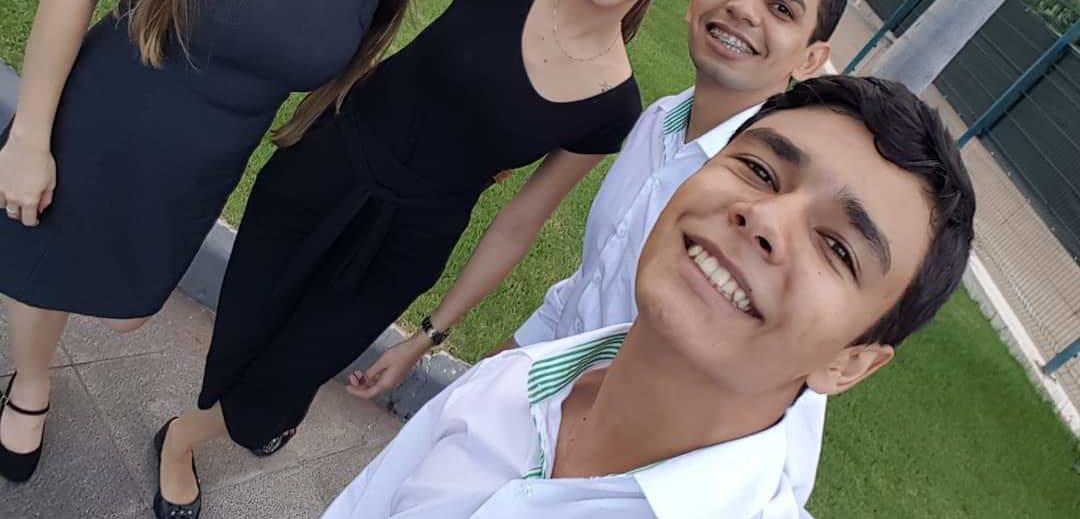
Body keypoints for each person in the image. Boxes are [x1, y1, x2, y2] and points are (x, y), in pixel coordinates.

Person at [323, 75, 977, 519]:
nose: (764, 218)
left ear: (850, 362)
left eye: (837, 247)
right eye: (759, 170)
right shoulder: (510, 384)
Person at [157, 0, 651, 517]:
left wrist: (426, 337)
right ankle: (253, 411)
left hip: (403, 247)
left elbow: (517, 226)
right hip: (328, 168)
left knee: (288, 376)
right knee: (249, 320)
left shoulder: (613, 106)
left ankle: (184, 438)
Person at [350, 0, 844, 506]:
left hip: (606, 477)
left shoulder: (770, 219)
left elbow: (780, 464)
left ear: (811, 58)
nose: (743, 8)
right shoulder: (658, 122)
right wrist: (496, 372)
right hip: (541, 408)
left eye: (782, 8)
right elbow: (595, 277)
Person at [0, 0, 405, 496]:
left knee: (125, 315)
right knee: (41, 266)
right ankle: (30, 383)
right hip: (110, 109)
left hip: (199, 172)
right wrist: (30, 136)